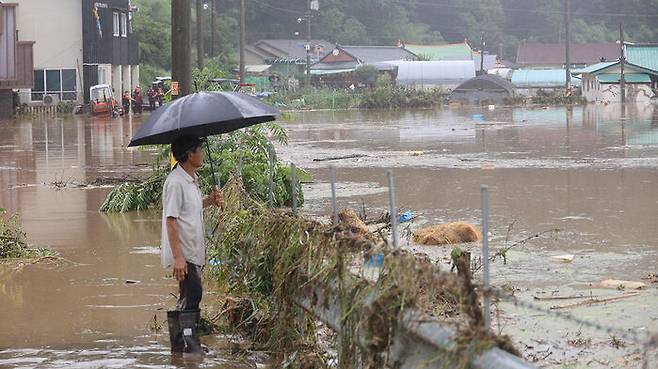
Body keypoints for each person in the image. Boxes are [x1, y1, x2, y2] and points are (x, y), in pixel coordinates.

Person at [162, 136, 222, 354]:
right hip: (184, 252)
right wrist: (178, 258)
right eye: (200, 149)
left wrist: (209, 201)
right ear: (189, 154)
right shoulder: (176, 182)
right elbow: (171, 221)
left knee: (188, 296)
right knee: (193, 294)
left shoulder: (190, 179)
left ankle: (180, 347)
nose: (202, 154)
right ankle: (191, 347)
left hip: (191, 250)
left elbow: (189, 210)